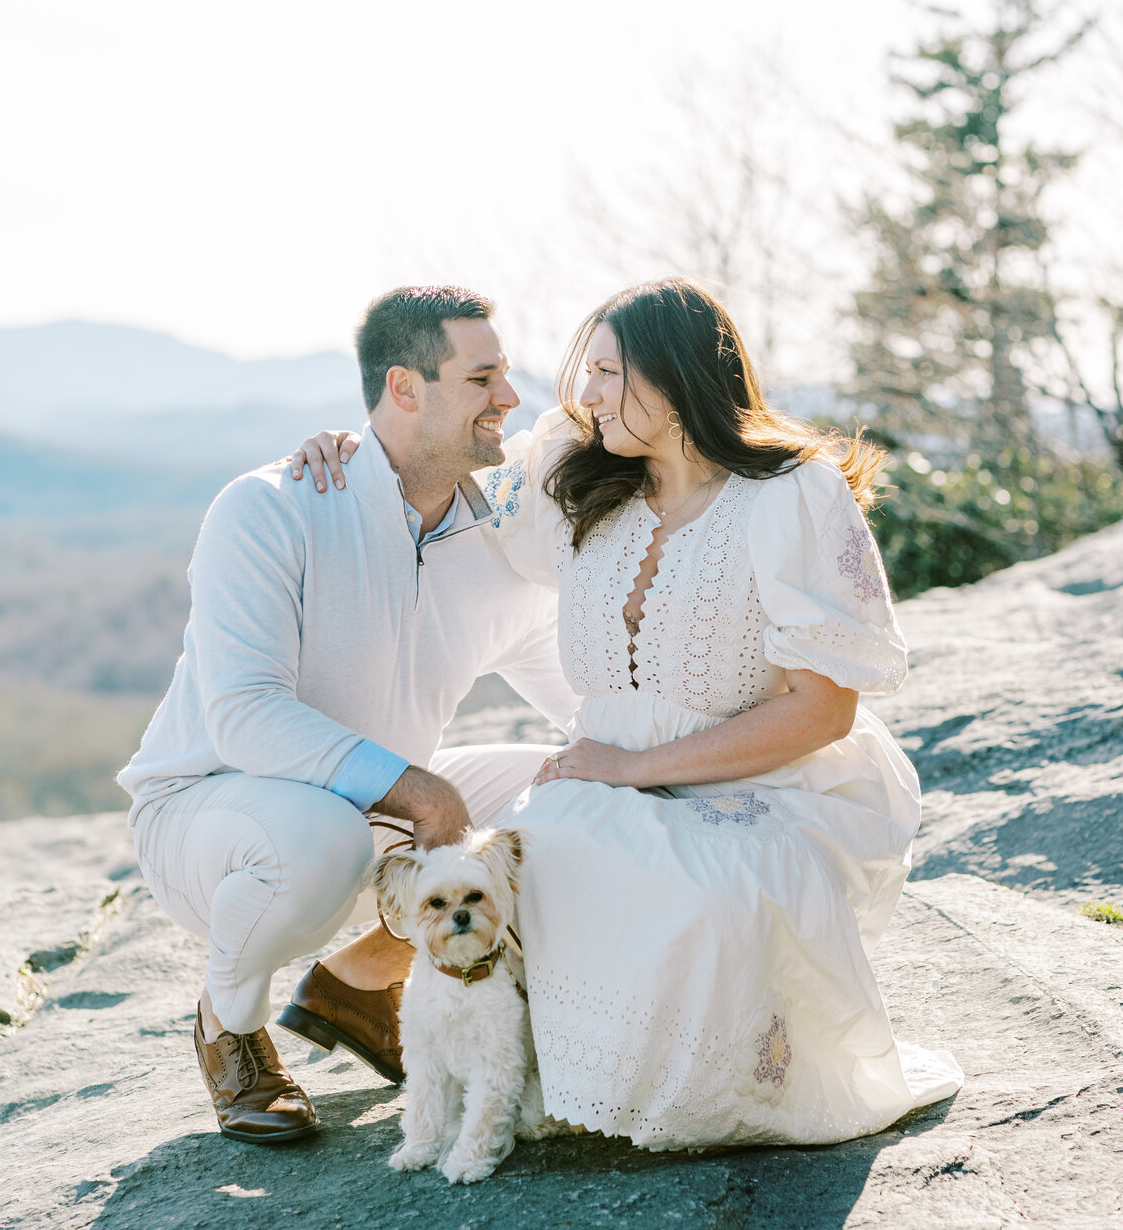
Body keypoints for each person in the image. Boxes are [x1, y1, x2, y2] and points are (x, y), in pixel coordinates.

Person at [296, 276, 962, 1149]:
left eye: (609, 372)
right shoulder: (579, 485)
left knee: (699, 898)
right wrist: (356, 448)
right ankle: (400, 1006)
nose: (587, 394)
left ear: (678, 376)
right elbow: (442, 454)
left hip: (773, 782)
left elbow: (823, 712)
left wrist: (628, 767)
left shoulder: (789, 495)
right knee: (537, 860)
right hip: (607, 778)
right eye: (590, 373)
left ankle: (641, 1083)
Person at [117, 286, 577, 1144]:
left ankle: (362, 982)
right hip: (211, 813)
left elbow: (578, 702)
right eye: (482, 379)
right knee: (321, 836)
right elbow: (245, 717)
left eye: (506, 375)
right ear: (405, 389)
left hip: (377, 809)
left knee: (569, 794)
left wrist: (664, 762)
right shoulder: (271, 509)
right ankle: (231, 1027)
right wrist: (423, 795)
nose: (510, 400)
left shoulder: (499, 539)